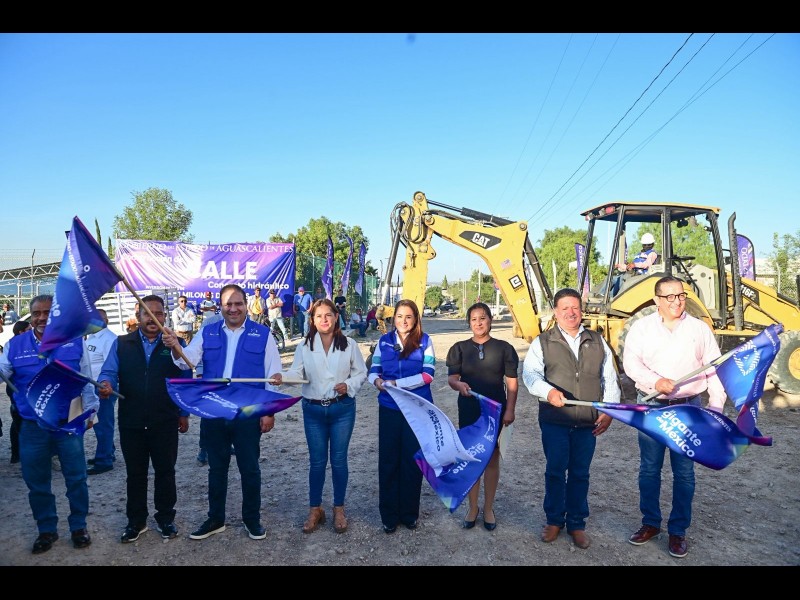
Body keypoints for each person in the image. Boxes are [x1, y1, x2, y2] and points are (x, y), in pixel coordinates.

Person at [162, 284, 282, 541]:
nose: (233, 309)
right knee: (217, 468)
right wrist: (174, 346)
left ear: (246, 305)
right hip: (214, 411)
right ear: (220, 306)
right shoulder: (208, 331)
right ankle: (216, 519)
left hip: (247, 412)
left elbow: (273, 374)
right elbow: (185, 360)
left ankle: (252, 519)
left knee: (250, 468)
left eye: (238, 303)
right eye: (228, 304)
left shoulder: (263, 334)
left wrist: (268, 411)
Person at [622, 276, 726, 559]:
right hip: (652, 407)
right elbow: (631, 363)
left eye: (681, 295)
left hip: (688, 409)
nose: (677, 301)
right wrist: (655, 382)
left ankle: (678, 530)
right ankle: (650, 523)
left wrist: (715, 409)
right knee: (649, 468)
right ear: (657, 300)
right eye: (670, 296)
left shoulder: (699, 329)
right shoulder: (642, 328)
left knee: (684, 473)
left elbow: (714, 369)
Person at [521, 288, 620, 550]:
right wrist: (548, 392)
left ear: (581, 310)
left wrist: (609, 410)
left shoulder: (597, 342)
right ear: (555, 312)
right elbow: (530, 375)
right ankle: (554, 520)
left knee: (580, 473)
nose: (570, 312)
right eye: (564, 308)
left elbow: (609, 378)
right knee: (555, 471)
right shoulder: (543, 342)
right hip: (555, 420)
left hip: (587, 422)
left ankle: (576, 523)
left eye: (575, 307)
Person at [0, 294, 99, 554]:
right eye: (36, 313)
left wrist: (91, 413)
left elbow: (87, 380)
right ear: (30, 317)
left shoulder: (75, 341)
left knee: (76, 478)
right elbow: (2, 373)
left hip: (68, 424)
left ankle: (79, 527)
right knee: (37, 482)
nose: (42, 318)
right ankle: (46, 530)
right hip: (32, 427)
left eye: (47, 312)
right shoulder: (14, 345)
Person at [97, 295, 191, 543]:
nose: (153, 318)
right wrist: (106, 384)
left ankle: (166, 518)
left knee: (165, 471)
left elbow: (186, 377)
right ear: (138, 316)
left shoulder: (175, 343)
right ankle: (136, 521)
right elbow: (109, 372)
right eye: (147, 313)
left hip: (165, 419)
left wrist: (183, 413)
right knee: (135, 473)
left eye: (158, 314)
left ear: (165, 317)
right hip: (132, 421)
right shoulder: (121, 343)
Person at [271, 299, 368, 534]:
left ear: (336, 317)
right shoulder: (304, 346)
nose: (324, 319)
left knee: (339, 460)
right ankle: (315, 509)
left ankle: (339, 509)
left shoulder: (349, 344)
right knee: (316, 462)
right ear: (312, 320)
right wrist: (283, 377)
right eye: (318, 316)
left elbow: (361, 372)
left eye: (328, 315)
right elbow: (297, 373)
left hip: (342, 409)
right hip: (313, 410)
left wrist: (349, 385)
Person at [446, 302, 519, 531]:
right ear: (469, 323)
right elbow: (452, 379)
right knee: (471, 457)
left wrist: (510, 409)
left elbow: (512, 384)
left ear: (490, 320)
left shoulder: (504, 349)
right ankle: (472, 508)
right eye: (474, 319)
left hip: (495, 410)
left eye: (483, 318)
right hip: (469, 409)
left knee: (492, 458)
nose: (478, 323)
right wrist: (459, 385)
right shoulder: (459, 349)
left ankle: (488, 508)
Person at [367, 299, 436, 533]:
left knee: (412, 461)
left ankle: (409, 514)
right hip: (389, 408)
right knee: (388, 461)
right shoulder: (384, 341)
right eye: (399, 316)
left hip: (416, 409)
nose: (403, 321)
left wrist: (398, 384)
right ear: (393, 318)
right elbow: (374, 371)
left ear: (415, 319)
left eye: (408, 317)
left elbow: (428, 375)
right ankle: (389, 516)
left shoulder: (425, 341)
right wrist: (377, 381)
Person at [85, 309, 119, 475]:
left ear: (105, 321)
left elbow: (111, 366)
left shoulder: (109, 339)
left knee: (103, 424)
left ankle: (104, 460)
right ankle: (108, 452)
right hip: (92, 387)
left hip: (103, 388)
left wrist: (105, 385)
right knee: (100, 423)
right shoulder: (91, 337)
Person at [5, 319, 32, 464]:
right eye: (29, 329)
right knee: (18, 419)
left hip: (27, 389)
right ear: (21, 332)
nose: (32, 331)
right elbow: (5, 369)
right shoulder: (12, 345)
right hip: (16, 389)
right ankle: (16, 453)